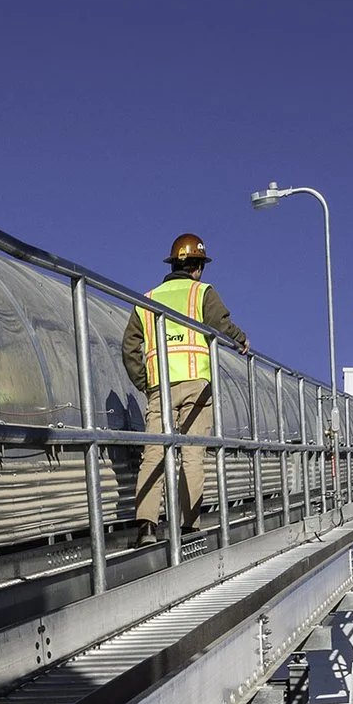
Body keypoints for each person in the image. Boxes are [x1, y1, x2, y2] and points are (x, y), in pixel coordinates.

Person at [121, 232, 248, 541]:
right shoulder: (202, 293)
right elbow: (222, 325)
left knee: (154, 454)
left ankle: (147, 526)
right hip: (196, 387)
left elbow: (129, 347)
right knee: (192, 457)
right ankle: (189, 527)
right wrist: (241, 340)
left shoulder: (147, 300)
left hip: (160, 388)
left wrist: (146, 382)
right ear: (198, 267)